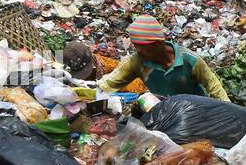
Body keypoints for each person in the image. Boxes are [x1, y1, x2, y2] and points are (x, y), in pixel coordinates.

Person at [97, 15, 229, 101]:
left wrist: (232, 112)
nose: (138, 51)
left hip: (197, 111)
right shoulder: (137, 61)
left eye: (143, 47)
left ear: (159, 43)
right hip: (166, 113)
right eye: (136, 46)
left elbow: (214, 86)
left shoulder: (189, 60)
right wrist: (86, 91)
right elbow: (109, 83)